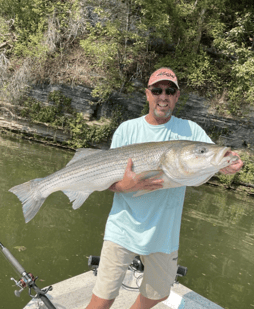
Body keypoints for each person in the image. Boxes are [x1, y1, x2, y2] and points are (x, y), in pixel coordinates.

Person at [86, 68, 243, 309]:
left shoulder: (191, 131)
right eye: (157, 90)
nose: (163, 96)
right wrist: (125, 186)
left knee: (157, 294)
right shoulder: (127, 130)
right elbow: (105, 179)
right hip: (122, 229)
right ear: (147, 94)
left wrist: (229, 163)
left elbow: (214, 156)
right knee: (101, 301)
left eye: (170, 91)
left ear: (177, 96)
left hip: (164, 234)